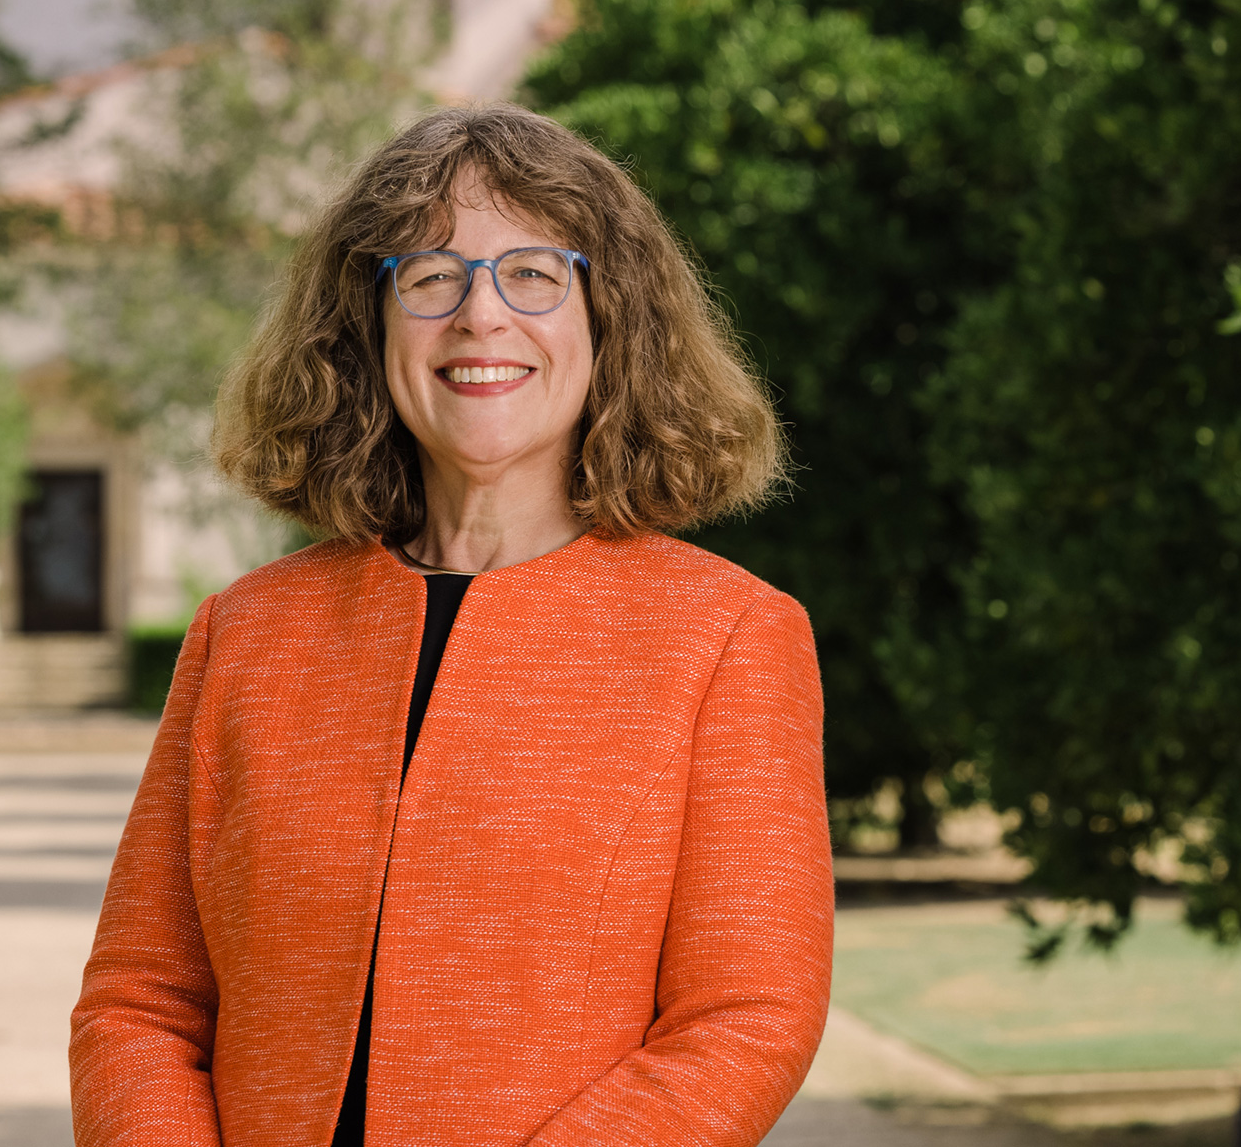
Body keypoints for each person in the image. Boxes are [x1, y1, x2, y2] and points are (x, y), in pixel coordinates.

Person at [68, 103, 832, 1147]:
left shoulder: (729, 635)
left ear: (611, 321)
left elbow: (747, 1019)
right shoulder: (244, 634)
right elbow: (138, 1002)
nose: (481, 316)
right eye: (431, 276)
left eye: (533, 273)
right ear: (367, 325)